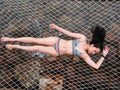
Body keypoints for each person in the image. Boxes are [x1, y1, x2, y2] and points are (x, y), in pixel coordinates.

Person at [0, 23, 110, 69]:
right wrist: (57, 27)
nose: (93, 53)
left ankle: (13, 46)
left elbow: (96, 66)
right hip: (56, 41)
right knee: (35, 40)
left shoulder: (84, 55)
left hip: (56, 51)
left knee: (35, 48)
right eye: (95, 50)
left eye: (95, 53)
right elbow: (68, 33)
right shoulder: (82, 38)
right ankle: (10, 39)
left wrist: (103, 55)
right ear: (93, 45)